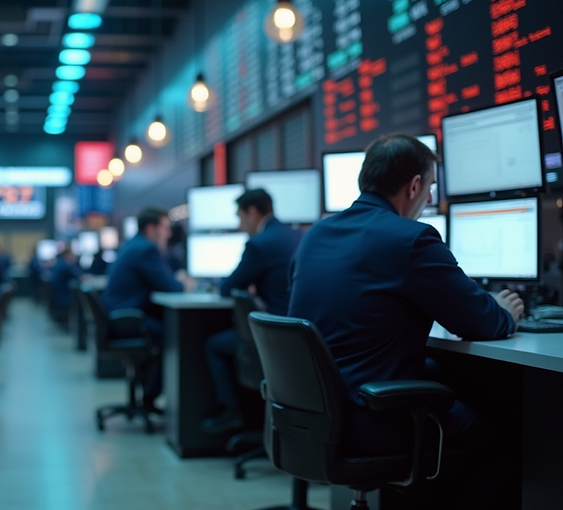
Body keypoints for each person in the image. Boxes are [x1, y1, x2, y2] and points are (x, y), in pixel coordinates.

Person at [287, 134, 523, 508]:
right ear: (414, 185)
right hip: (371, 418)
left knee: (444, 374)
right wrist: (504, 311)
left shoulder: (315, 235)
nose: (429, 199)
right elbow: (482, 323)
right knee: (510, 438)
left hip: (314, 417)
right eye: (429, 187)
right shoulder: (411, 239)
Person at [201, 188, 303, 434]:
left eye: (240, 217)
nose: (239, 225)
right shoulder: (297, 235)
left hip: (276, 334)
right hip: (301, 333)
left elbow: (227, 287)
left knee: (213, 345)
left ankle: (232, 411)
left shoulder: (259, 244)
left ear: (253, 212)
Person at [103, 207, 190, 408]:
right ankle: (150, 397)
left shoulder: (134, 245)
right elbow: (170, 287)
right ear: (151, 228)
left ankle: (149, 395)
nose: (169, 234)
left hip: (121, 315)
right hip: (128, 320)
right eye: (166, 228)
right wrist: (185, 283)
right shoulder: (146, 249)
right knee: (175, 336)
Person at [50, 245, 83, 324]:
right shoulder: (65, 266)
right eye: (72, 255)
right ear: (67, 255)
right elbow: (80, 277)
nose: (74, 257)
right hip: (65, 296)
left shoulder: (59, 263)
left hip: (59, 295)